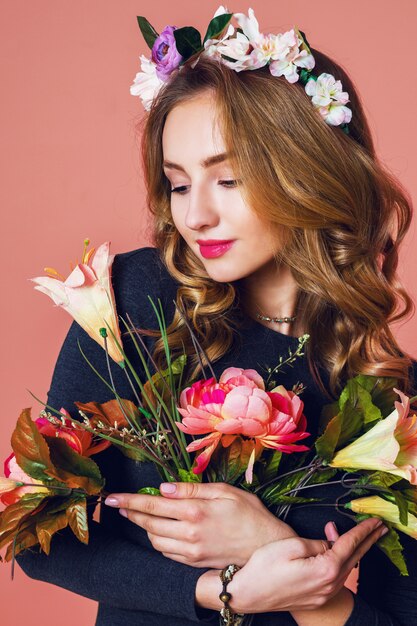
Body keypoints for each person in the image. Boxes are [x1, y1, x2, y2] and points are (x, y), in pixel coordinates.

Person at [16, 7, 417, 626]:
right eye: (178, 185)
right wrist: (222, 590)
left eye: (228, 179)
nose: (196, 216)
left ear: (309, 174)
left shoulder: (390, 398)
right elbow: (38, 535)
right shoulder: (135, 300)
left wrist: (282, 559)